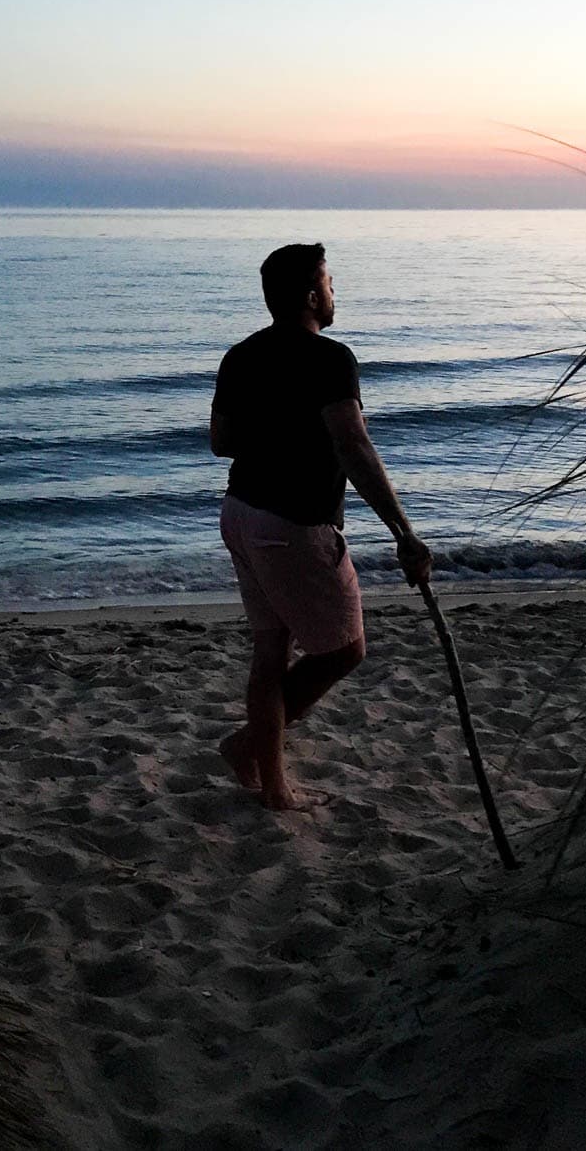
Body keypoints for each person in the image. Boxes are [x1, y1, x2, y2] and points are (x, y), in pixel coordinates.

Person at [210, 242, 432, 811]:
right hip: (293, 525)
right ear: (312, 295)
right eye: (330, 283)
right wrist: (403, 531)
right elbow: (353, 445)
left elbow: (221, 443)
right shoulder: (331, 359)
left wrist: (274, 428)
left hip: (240, 514)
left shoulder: (239, 357)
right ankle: (247, 747)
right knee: (344, 651)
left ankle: (272, 783)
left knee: (271, 648)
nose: (336, 293)